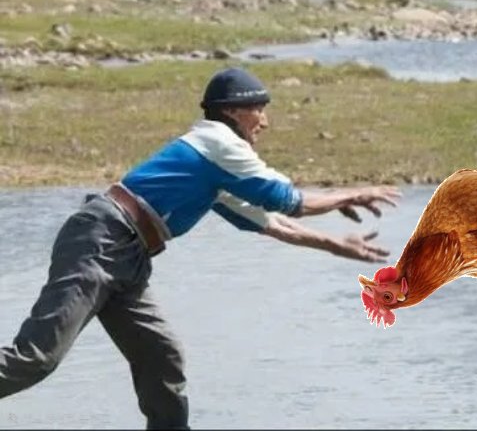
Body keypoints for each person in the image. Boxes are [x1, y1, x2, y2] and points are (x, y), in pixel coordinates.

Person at [0, 67, 401, 429]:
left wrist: (335, 244)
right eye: (259, 109)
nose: (265, 121)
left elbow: (270, 222)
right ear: (232, 111)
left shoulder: (215, 165)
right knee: (37, 358)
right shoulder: (219, 144)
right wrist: (351, 194)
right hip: (102, 240)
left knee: (161, 356)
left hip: (128, 253)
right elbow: (286, 199)